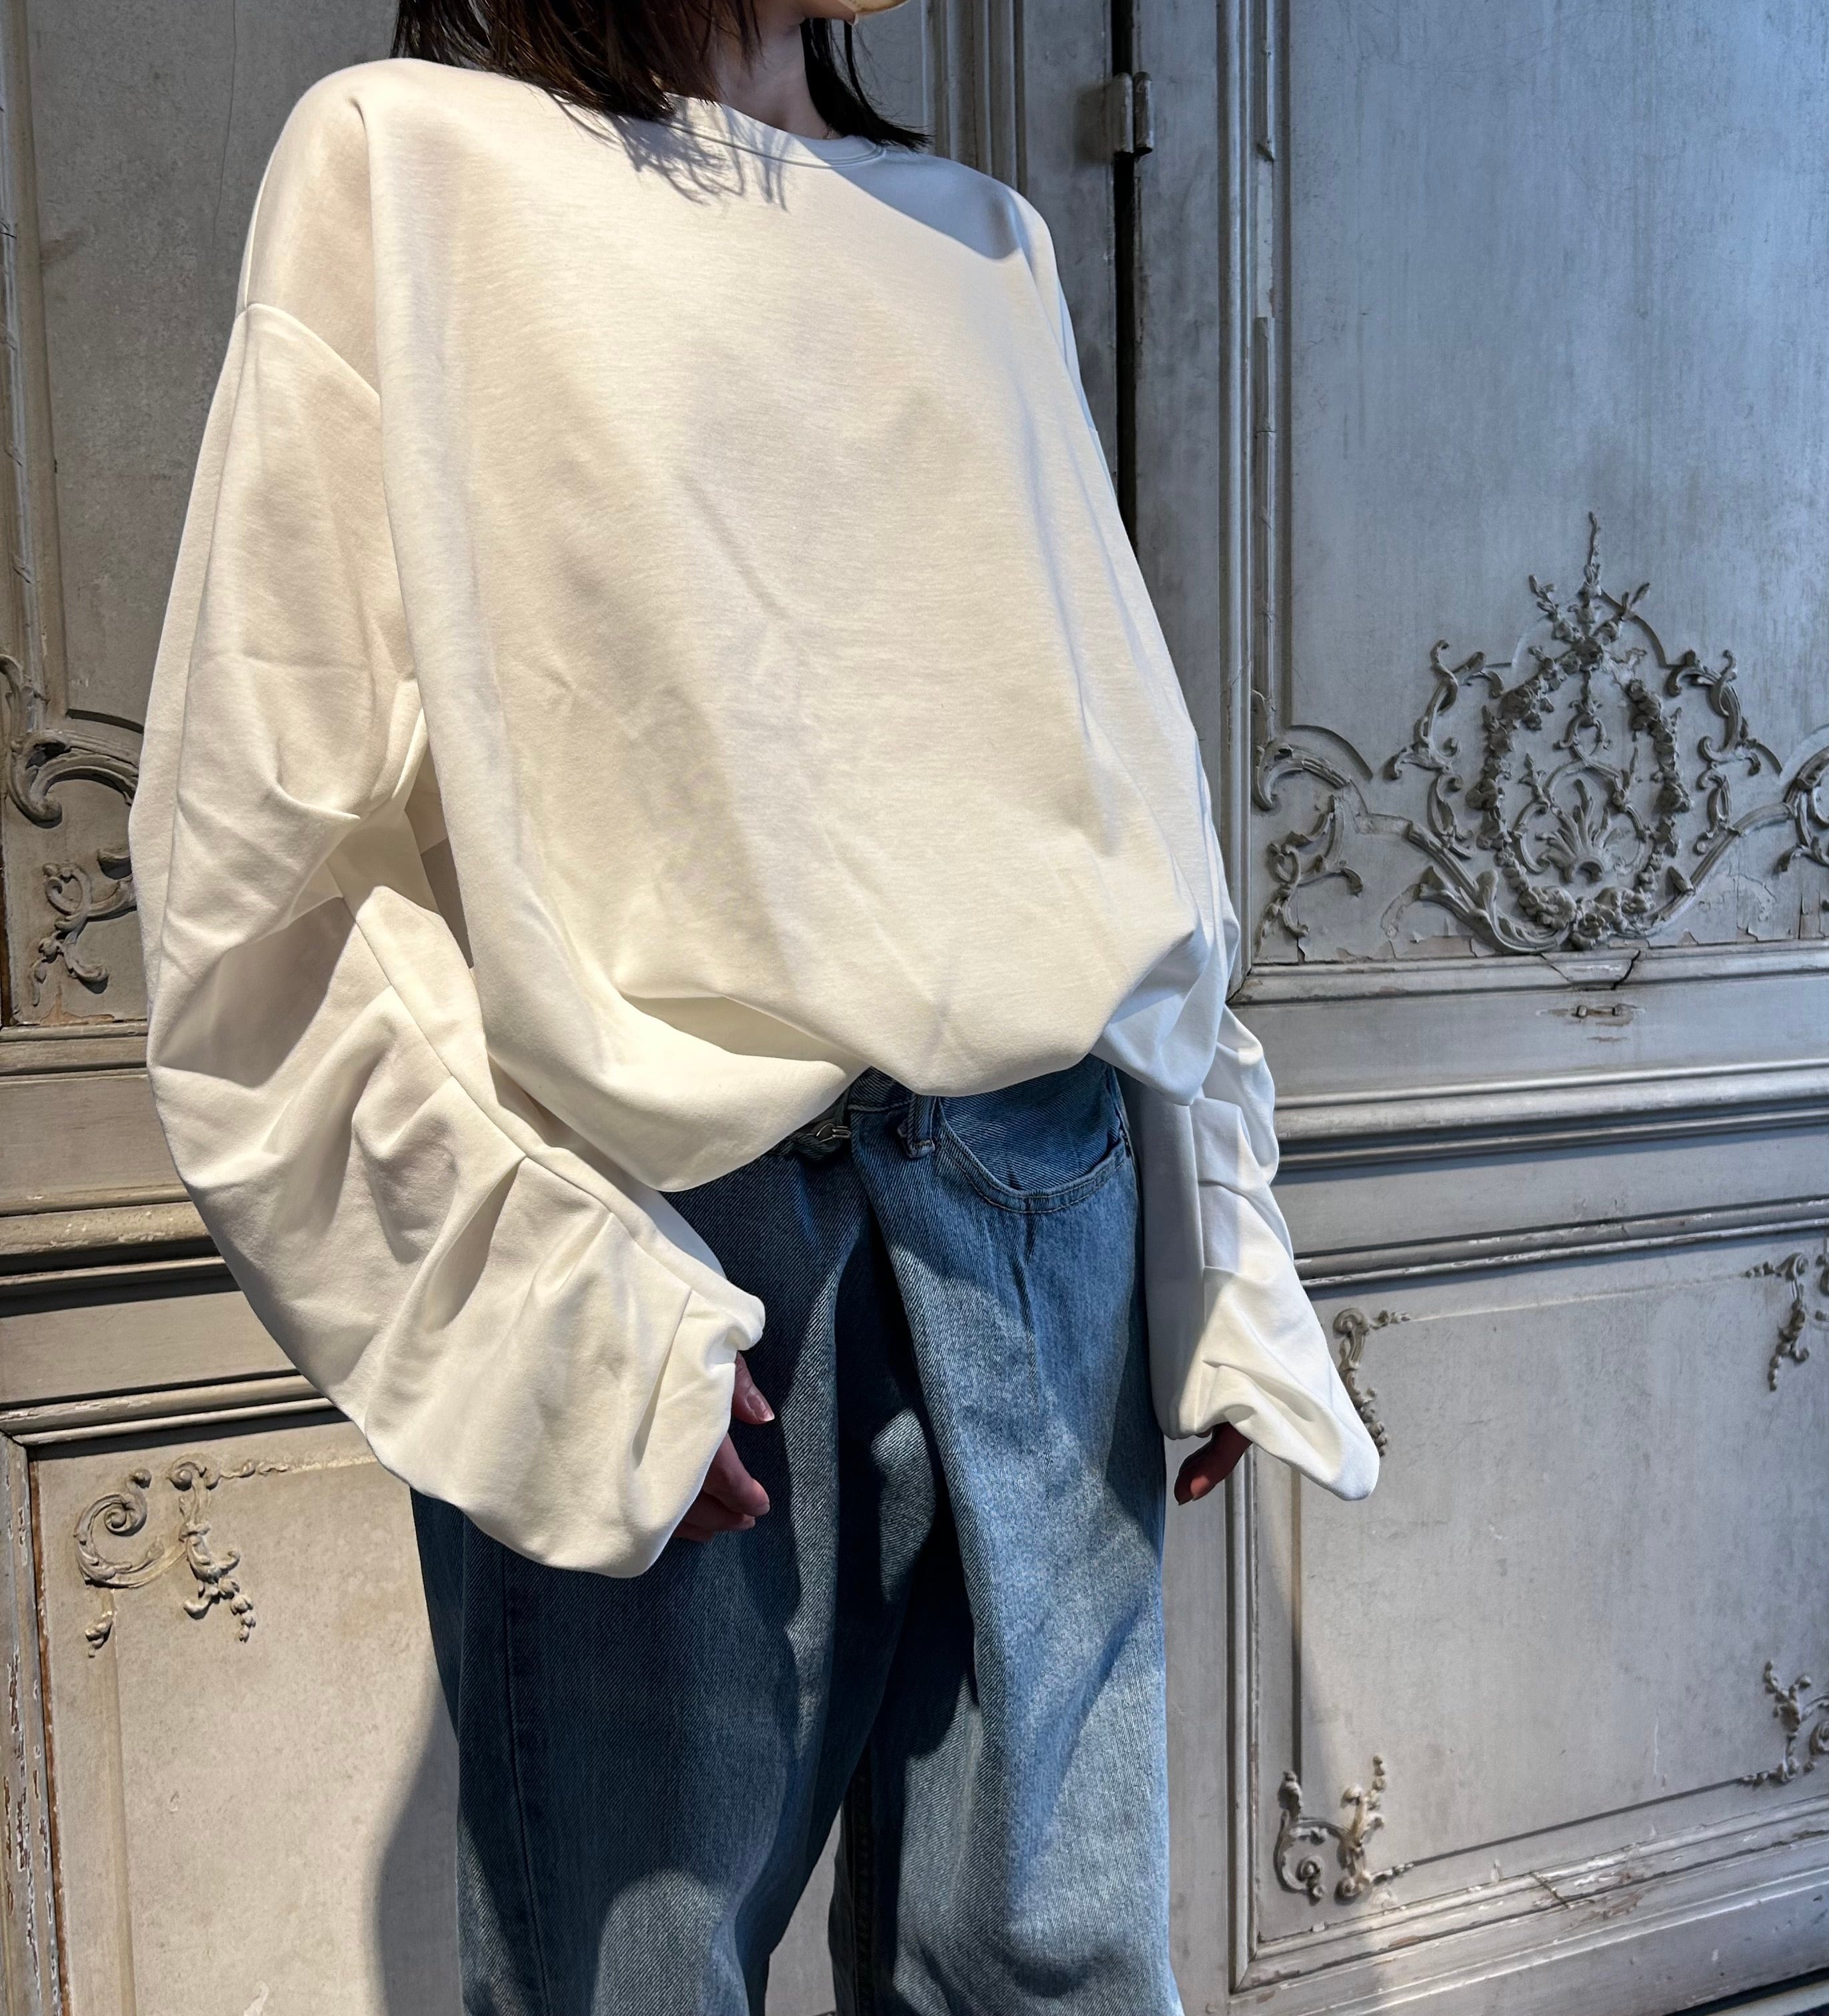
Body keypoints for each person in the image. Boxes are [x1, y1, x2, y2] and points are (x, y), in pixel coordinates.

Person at [127, 1, 1380, 2009]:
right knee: (635, 1972)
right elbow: (268, 861)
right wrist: (562, 1300)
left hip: (1047, 1200)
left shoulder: (976, 239)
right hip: (668, 1239)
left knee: (1059, 1968)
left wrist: (1214, 1248)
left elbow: (1117, 784)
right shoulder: (408, 164)